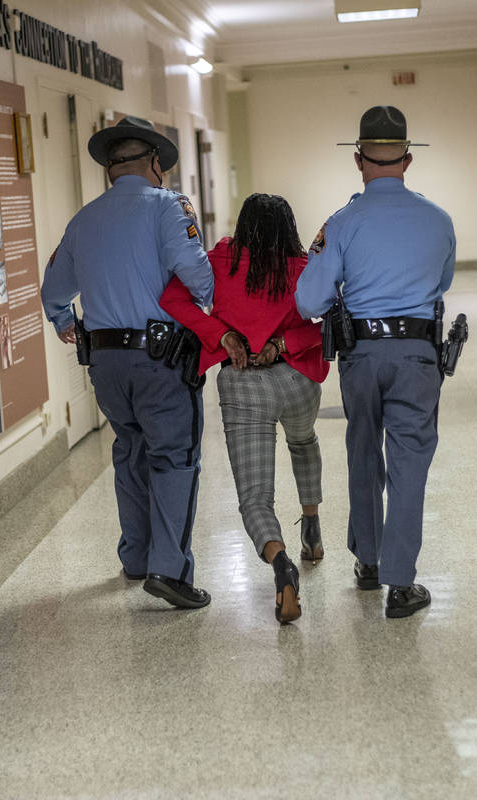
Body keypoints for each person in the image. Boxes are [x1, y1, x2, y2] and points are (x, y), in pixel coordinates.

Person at [40, 116, 215, 610]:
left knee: (131, 451)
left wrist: (63, 321)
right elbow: (197, 275)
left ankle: (136, 556)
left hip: (106, 362)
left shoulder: (84, 219)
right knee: (175, 456)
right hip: (160, 359)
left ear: (110, 170)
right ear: (155, 163)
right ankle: (171, 571)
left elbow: (54, 291)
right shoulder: (168, 206)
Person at [295, 106, 455, 619]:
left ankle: (367, 562)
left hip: (361, 355)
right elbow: (444, 282)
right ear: (408, 160)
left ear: (358, 161)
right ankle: (401, 585)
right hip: (418, 354)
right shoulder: (438, 220)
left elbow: (308, 301)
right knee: (409, 461)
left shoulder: (341, 222)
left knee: (364, 449)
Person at [160, 194, 328, 624]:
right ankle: (311, 525)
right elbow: (329, 320)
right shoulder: (303, 269)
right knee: (303, 439)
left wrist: (222, 336)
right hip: (297, 382)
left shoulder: (218, 262)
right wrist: (284, 344)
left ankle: (281, 565)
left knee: (255, 498)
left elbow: (174, 301)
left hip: (242, 385)